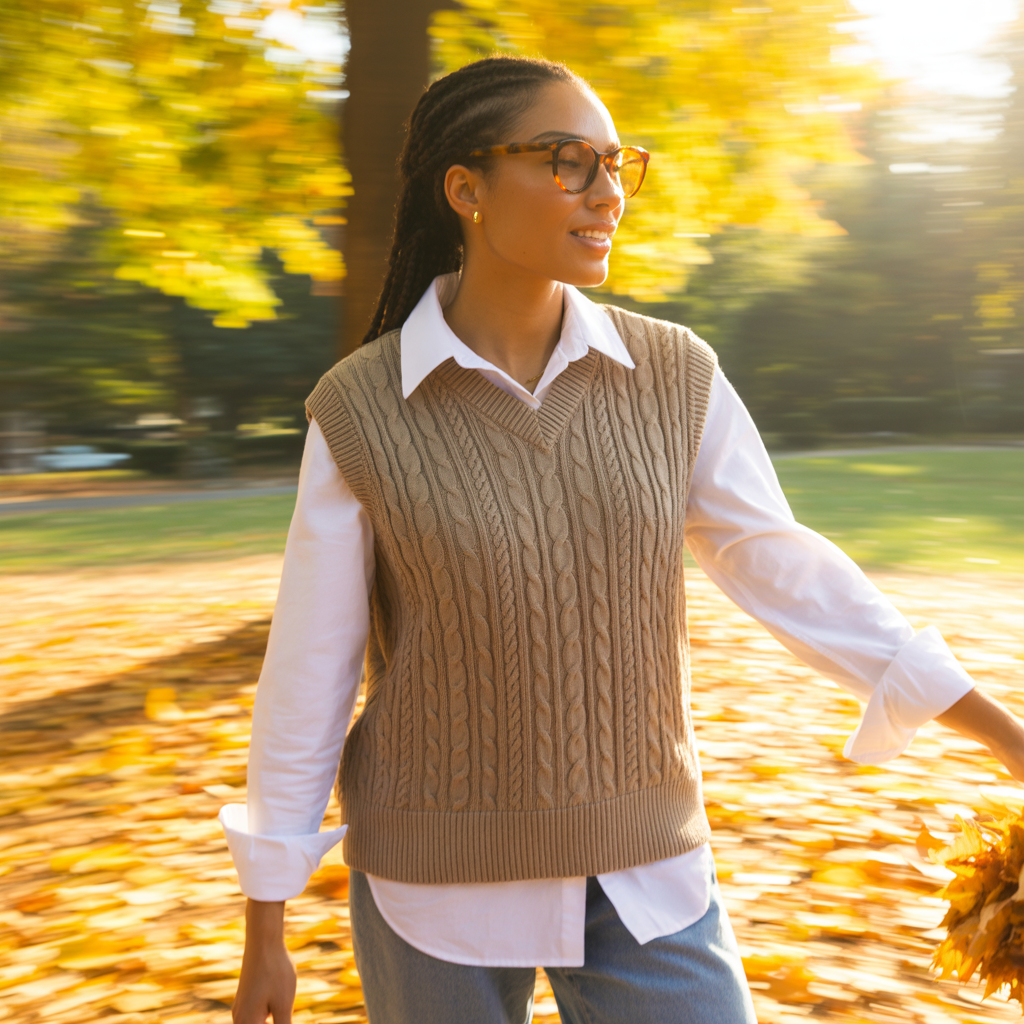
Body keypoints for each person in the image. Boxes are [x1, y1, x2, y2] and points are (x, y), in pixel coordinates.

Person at [219, 55, 1024, 1024]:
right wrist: (265, 923)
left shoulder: (673, 375)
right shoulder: (360, 409)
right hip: (432, 885)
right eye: (567, 162)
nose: (607, 195)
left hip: (649, 873)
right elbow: (309, 667)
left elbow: (786, 567)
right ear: (466, 188)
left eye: (616, 164)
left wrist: (1005, 738)